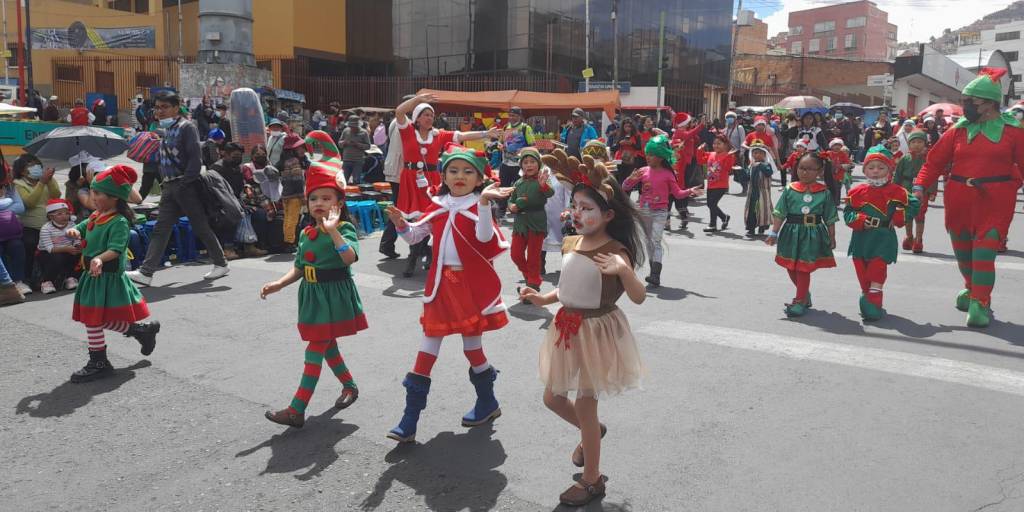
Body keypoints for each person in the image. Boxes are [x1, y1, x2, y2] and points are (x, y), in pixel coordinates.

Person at [517, 159, 647, 508]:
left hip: (597, 331)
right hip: (567, 327)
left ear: (608, 216)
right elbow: (565, 288)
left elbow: (638, 296)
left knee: (585, 406)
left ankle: (592, 479)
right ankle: (593, 433)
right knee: (552, 398)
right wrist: (540, 297)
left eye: (586, 208)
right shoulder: (571, 243)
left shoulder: (615, 251)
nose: (576, 213)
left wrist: (624, 270)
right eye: (574, 206)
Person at [383, 145, 513, 444]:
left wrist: (482, 205)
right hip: (441, 286)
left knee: (472, 348)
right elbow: (416, 235)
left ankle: (488, 401)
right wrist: (401, 224)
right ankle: (409, 418)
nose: (460, 176)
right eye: (453, 170)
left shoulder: (478, 206)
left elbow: (484, 239)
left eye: (468, 171)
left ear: (479, 179)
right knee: (427, 349)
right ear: (443, 175)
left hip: (469, 288)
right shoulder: (438, 204)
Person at [912, 68, 1024, 328]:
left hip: (995, 200)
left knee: (984, 252)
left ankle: (980, 302)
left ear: (988, 104)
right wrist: (919, 187)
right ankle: (972, 288)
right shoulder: (958, 130)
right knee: (963, 254)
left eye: (969, 102)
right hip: (959, 197)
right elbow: (933, 163)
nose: (965, 107)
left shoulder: (1014, 132)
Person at [259, 164, 367, 428]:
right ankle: (350, 387)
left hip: (334, 298)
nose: (319, 203)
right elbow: (299, 266)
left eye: (326, 198)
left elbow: (349, 258)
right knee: (327, 345)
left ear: (339, 203)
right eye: (314, 198)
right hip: (311, 297)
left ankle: (297, 409)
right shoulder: (306, 232)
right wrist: (279, 283)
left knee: (315, 349)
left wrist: (333, 230)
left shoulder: (344, 229)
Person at [66, 165, 160, 382]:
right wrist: (74, 230)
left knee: (94, 319)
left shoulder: (119, 221)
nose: (93, 196)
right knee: (96, 319)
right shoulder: (97, 214)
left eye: (97, 192)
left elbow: (116, 249)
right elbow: (83, 225)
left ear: (114, 197)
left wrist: (99, 258)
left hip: (107, 276)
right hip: (93, 276)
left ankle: (99, 362)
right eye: (92, 191)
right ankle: (139, 331)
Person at [126, 90, 229, 287]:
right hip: (169, 186)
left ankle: (221, 263)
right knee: (160, 229)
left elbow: (195, 160)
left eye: (165, 107)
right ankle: (146, 272)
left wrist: (184, 183)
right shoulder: (166, 130)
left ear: (176, 107)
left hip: (184, 186)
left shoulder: (186, 127)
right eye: (157, 107)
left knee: (200, 226)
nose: (160, 111)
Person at [391, 93, 496, 277]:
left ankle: (431, 255)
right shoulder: (407, 131)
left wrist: (486, 133)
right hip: (411, 179)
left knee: (434, 217)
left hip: (431, 179)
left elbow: (462, 135)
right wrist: (418, 100)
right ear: (416, 118)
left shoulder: (438, 135)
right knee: (417, 220)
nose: (429, 118)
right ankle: (413, 258)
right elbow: (399, 111)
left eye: (431, 115)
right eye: (425, 114)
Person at [845, 145, 920, 321]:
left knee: (877, 270)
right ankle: (868, 296)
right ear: (864, 170)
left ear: (889, 170)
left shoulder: (898, 191)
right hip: (861, 238)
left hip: (883, 238)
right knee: (862, 272)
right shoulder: (856, 191)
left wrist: (900, 215)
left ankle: (874, 302)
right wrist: (859, 220)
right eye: (871, 168)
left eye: (881, 167)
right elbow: (848, 213)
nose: (876, 171)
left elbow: (914, 204)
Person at [764, 152, 838, 317]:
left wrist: (832, 236)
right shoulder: (790, 189)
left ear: (819, 171)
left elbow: (830, 217)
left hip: (812, 234)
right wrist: (773, 232)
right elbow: (780, 213)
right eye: (802, 168)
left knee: (803, 269)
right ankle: (804, 294)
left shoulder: (824, 192)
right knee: (791, 266)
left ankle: (799, 301)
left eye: (811, 169)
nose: (805, 172)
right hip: (791, 231)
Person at [622, 134, 702, 287]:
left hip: (660, 212)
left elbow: (677, 193)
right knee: (648, 242)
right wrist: (631, 178)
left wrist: (690, 190)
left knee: (655, 241)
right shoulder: (643, 171)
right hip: (644, 211)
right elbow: (625, 187)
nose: (648, 157)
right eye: (648, 154)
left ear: (660, 157)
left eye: (652, 154)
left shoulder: (668, 174)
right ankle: (654, 271)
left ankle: (655, 275)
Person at [14, 154, 61, 291]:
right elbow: (29, 202)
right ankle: (28, 278)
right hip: (31, 227)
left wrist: (49, 180)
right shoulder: (18, 184)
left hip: (51, 225)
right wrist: (41, 183)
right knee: (30, 244)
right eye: (31, 165)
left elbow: (56, 195)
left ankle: (51, 278)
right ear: (23, 171)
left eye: (38, 164)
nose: (36, 167)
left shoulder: (48, 181)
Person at [509, 147, 552, 292]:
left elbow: (550, 193)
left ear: (538, 164)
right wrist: (513, 206)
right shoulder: (518, 183)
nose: (529, 165)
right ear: (521, 166)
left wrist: (543, 185)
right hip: (520, 223)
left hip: (536, 222)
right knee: (515, 254)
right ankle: (530, 276)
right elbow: (511, 200)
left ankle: (533, 285)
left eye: (532, 161)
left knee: (534, 257)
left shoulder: (541, 180)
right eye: (525, 162)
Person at [379, 95, 415, 260]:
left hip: (395, 169)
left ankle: (388, 244)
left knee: (400, 208)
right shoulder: (403, 122)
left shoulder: (397, 121)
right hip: (401, 171)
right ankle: (388, 244)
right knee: (402, 209)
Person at [894, 130, 933, 254]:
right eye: (914, 142)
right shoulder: (904, 158)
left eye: (920, 142)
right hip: (906, 188)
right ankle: (909, 236)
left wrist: (932, 192)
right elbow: (897, 175)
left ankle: (919, 239)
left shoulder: (928, 159)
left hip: (922, 189)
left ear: (925, 144)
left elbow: (933, 175)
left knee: (920, 215)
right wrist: (894, 190)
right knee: (907, 215)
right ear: (909, 144)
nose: (917, 144)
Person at [539, 149, 577, 276]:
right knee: (542, 238)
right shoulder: (545, 174)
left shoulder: (564, 177)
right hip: (544, 212)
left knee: (564, 239)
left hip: (559, 214)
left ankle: (567, 265)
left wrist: (567, 210)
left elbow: (568, 194)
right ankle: (540, 264)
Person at [242, 144, 284, 253]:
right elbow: (250, 179)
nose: (261, 156)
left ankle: (274, 243)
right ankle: (261, 243)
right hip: (255, 197)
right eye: (257, 154)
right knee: (264, 214)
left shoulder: (269, 166)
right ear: (252, 155)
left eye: (263, 154)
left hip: (271, 194)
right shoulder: (248, 166)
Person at [497, 106, 536, 217]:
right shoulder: (505, 127)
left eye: (514, 115)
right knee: (503, 187)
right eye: (510, 115)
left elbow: (533, 146)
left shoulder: (525, 128)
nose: (511, 117)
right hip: (505, 163)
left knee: (519, 188)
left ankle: (518, 209)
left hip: (519, 165)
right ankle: (501, 209)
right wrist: (500, 145)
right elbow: (500, 142)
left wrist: (520, 150)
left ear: (519, 116)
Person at [37, 199, 81, 294]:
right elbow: (50, 249)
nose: (64, 216)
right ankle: (47, 281)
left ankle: (69, 277)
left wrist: (77, 246)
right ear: (51, 216)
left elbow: (77, 239)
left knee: (77, 254)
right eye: (60, 214)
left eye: (66, 213)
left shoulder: (72, 224)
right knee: (57, 258)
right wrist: (67, 249)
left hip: (67, 250)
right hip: (48, 253)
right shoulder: (46, 228)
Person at [695, 134, 736, 233]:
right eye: (714, 143)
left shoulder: (728, 155)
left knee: (712, 204)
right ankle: (724, 217)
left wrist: (730, 157)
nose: (716, 145)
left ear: (725, 145)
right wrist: (699, 150)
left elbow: (728, 169)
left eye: (719, 143)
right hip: (710, 184)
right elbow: (700, 161)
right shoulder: (711, 154)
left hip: (721, 185)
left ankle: (713, 224)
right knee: (710, 204)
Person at [278, 133, 310, 251]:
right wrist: (302, 197)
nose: (302, 150)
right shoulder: (295, 162)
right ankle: (289, 243)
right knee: (293, 219)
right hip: (295, 195)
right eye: (299, 148)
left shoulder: (285, 161)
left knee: (287, 219)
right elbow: (297, 181)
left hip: (286, 195)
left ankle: (287, 240)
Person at [670, 112, 705, 219]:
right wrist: (701, 125)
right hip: (681, 162)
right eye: (688, 122)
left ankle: (683, 208)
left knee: (686, 184)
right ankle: (681, 208)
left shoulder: (683, 131)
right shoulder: (679, 132)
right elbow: (690, 135)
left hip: (687, 161)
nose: (689, 123)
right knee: (682, 185)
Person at [0, 167, 27, 296]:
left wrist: (4, 205)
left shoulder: (10, 187)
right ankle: (7, 283)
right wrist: (8, 203)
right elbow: (13, 205)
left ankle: (18, 281)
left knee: (17, 246)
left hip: (10, 232)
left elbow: (20, 207)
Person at [744, 140, 777, 237]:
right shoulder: (751, 165)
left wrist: (760, 165)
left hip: (763, 192)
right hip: (752, 193)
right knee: (752, 210)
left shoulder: (767, 165)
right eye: (754, 153)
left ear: (764, 154)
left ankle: (762, 226)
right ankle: (751, 228)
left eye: (759, 153)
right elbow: (746, 177)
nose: (756, 155)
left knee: (763, 209)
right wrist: (740, 171)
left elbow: (768, 173)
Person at [339, 115, 371, 184]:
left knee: (356, 180)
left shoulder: (364, 132)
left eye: (354, 127)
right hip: (346, 159)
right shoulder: (346, 131)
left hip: (358, 160)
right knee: (343, 180)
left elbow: (368, 146)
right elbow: (339, 144)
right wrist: (345, 142)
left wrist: (357, 144)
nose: (352, 128)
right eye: (351, 127)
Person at [611, 117, 644, 184]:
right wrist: (620, 144)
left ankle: (627, 193)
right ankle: (621, 193)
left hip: (631, 160)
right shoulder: (619, 135)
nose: (628, 128)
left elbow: (639, 148)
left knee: (629, 179)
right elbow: (614, 148)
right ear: (623, 127)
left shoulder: (636, 135)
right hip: (620, 160)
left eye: (629, 126)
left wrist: (632, 144)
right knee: (620, 178)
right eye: (626, 126)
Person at [821, 138, 853, 204]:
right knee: (827, 187)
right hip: (828, 175)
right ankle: (827, 201)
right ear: (831, 146)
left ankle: (836, 202)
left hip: (839, 175)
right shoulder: (828, 153)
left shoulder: (843, 154)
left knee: (837, 189)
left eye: (839, 145)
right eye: (835, 145)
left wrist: (842, 166)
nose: (837, 146)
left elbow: (848, 163)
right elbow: (822, 159)